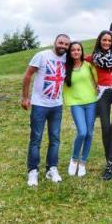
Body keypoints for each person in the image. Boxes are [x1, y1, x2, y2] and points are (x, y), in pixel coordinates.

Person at [21, 34, 70, 186]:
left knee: (55, 138)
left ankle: (51, 168)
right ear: (55, 42)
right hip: (39, 105)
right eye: (60, 42)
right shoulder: (42, 56)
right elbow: (27, 75)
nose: (63, 46)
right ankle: (33, 171)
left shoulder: (67, 58)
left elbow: (82, 57)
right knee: (36, 138)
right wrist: (25, 97)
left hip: (57, 105)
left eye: (66, 44)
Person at [85, 30, 112, 180]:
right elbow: (76, 59)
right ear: (99, 41)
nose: (107, 42)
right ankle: (111, 163)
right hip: (103, 94)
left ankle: (110, 165)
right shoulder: (92, 57)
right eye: (104, 40)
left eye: (109, 40)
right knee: (106, 128)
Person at [63, 41, 98, 178]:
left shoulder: (88, 65)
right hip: (76, 103)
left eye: (78, 49)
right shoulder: (65, 67)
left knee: (89, 133)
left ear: (82, 51)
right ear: (69, 52)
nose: (76, 52)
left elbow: (98, 78)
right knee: (82, 132)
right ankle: (74, 159)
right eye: (73, 50)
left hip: (91, 102)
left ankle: (83, 162)